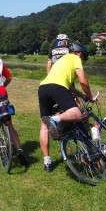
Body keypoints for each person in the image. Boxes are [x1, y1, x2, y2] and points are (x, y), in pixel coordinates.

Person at [38, 42, 94, 172]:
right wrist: (90, 96)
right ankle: (56, 119)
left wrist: (83, 96)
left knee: (44, 125)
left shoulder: (62, 60)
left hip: (43, 87)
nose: (83, 61)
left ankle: (47, 161)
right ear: (79, 53)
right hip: (57, 87)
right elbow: (83, 81)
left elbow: (71, 87)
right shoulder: (75, 58)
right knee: (76, 113)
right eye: (84, 58)